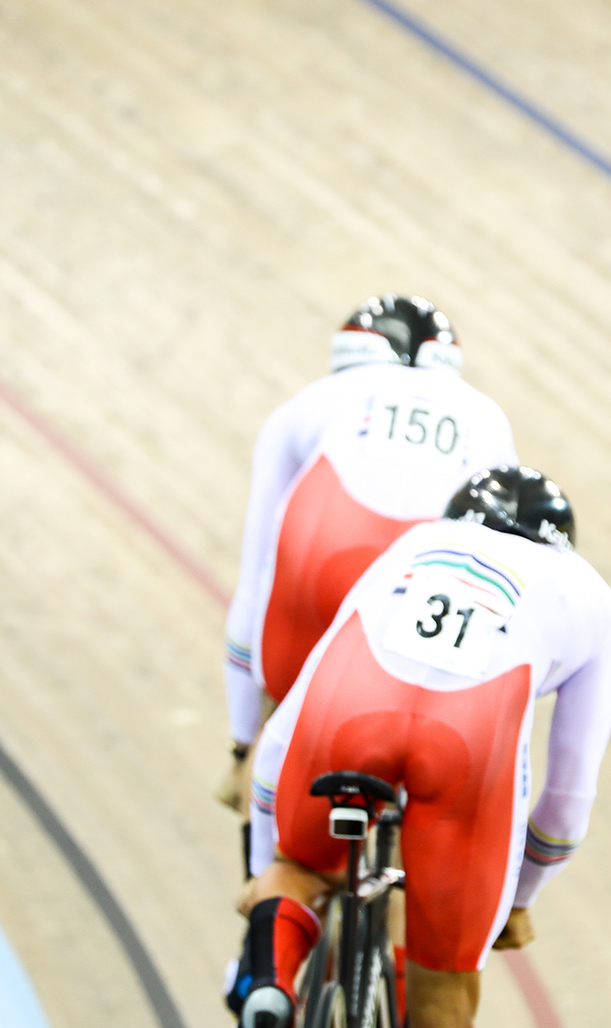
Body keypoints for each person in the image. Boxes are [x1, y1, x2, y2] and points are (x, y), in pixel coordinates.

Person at [219, 467, 611, 1028]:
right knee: (444, 998)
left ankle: (272, 992)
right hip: (468, 746)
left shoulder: (415, 545)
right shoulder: (591, 601)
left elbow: (294, 714)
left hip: (348, 709)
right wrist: (519, 896)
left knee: (301, 874)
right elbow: (566, 798)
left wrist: (274, 860)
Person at [217, 295, 517, 813]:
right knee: (430, 750)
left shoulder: (314, 401)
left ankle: (263, 849)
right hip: (430, 588)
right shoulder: (488, 417)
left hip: (326, 564)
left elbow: (257, 575)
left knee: (278, 724)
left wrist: (241, 742)